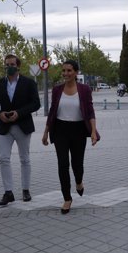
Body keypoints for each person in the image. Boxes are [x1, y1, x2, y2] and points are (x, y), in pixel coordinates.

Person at [42, 60, 98, 214]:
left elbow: (90, 112)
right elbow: (53, 111)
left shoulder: (85, 89)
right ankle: (67, 198)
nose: (66, 73)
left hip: (79, 130)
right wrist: (46, 131)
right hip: (60, 130)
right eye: (64, 71)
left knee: (77, 164)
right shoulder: (57, 90)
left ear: (76, 72)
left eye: (69, 70)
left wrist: (93, 131)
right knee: (63, 164)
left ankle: (79, 182)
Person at [0, 54, 41, 206]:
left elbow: (36, 104)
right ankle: (8, 192)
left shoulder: (28, 83)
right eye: (7, 64)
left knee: (24, 159)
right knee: (3, 158)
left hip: (23, 125)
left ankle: (25, 189)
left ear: (18, 66)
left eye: (12, 64)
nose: (9, 66)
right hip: (4, 127)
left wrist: (19, 113)